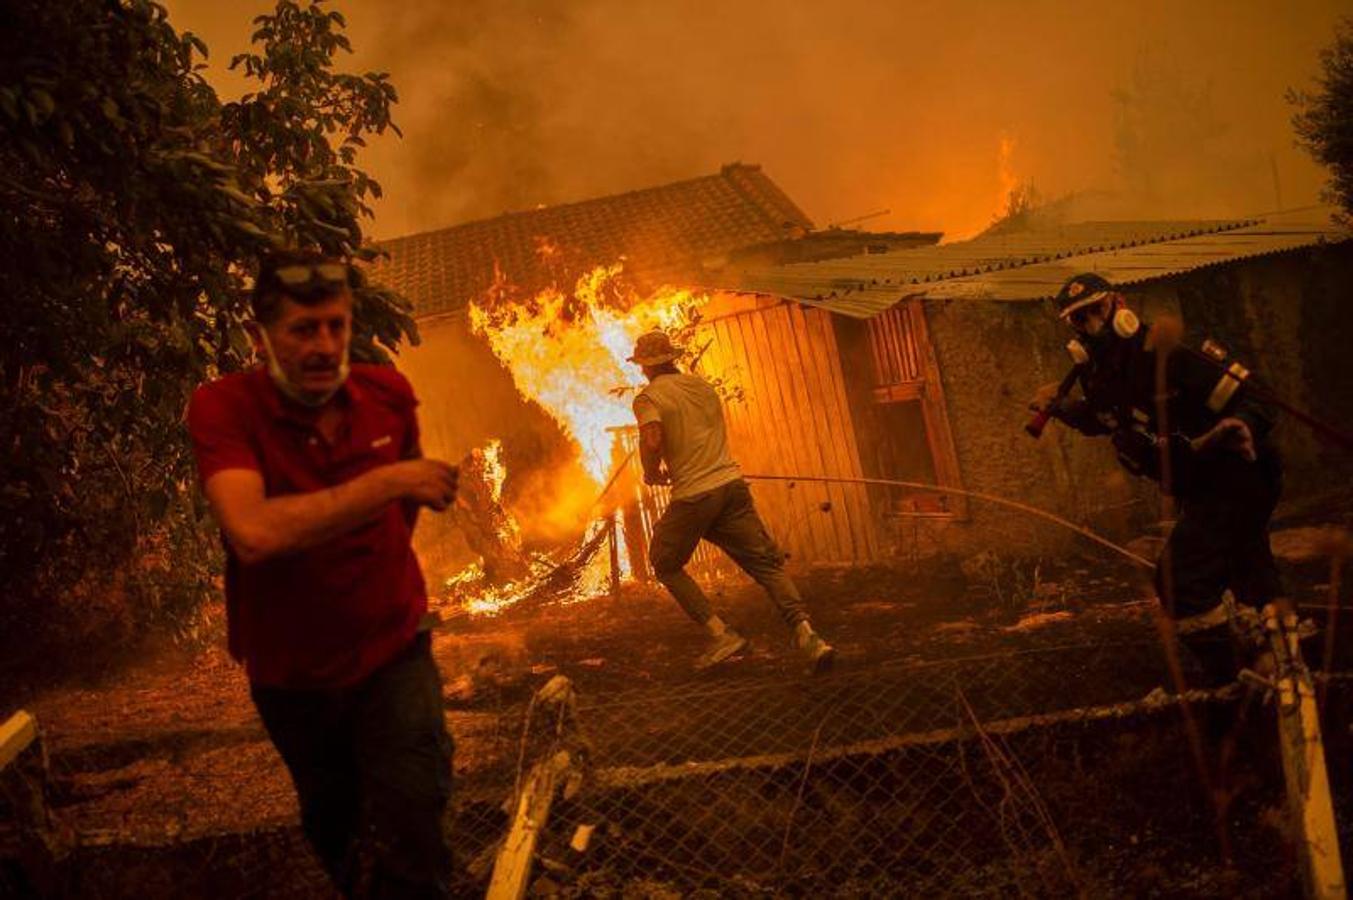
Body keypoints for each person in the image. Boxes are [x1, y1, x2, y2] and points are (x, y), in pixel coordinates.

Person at [187, 250, 459, 898]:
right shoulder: (222, 408)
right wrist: (386, 480)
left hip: (393, 648)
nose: (324, 345)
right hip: (293, 675)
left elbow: (409, 511)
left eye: (335, 326)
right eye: (303, 330)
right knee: (336, 827)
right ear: (259, 337)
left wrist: (378, 579)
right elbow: (251, 533)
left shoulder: (388, 396)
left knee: (415, 806)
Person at [1030, 272, 1284, 683]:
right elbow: (1105, 419)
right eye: (1080, 320)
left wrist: (1241, 424)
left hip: (1238, 476)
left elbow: (1257, 396)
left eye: (1097, 310)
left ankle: (1234, 673)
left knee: (1178, 580)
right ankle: (1279, 665)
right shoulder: (1100, 372)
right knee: (1249, 575)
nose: (1093, 325)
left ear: (1119, 304)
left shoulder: (1172, 351)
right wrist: (1061, 408)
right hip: (1199, 488)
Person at [628, 330, 836, 673]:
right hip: (731, 487)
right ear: (672, 358)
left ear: (647, 367)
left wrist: (651, 471)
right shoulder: (703, 387)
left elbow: (652, 438)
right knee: (767, 565)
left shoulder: (648, 397)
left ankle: (721, 634)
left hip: (695, 496)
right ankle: (809, 636)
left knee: (663, 561)